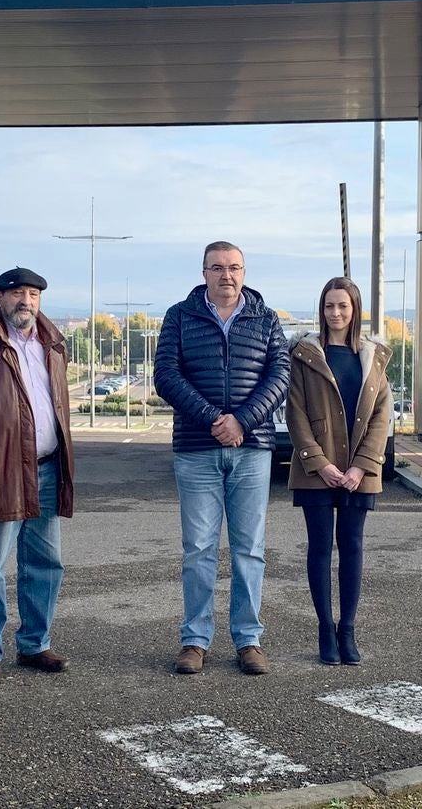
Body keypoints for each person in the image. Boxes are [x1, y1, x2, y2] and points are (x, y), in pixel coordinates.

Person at [154, 241, 289, 675]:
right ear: (204, 272)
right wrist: (215, 418)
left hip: (251, 450)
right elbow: (166, 376)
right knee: (199, 549)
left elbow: (280, 375)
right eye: (216, 268)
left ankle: (248, 640)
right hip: (196, 448)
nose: (225, 275)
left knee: (249, 549)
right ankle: (195, 640)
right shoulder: (180, 316)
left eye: (233, 267)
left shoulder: (267, 320)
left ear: (244, 272)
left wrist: (242, 422)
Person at [0, 267, 75, 685]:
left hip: (46, 468)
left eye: (32, 294)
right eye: (16, 294)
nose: (25, 301)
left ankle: (35, 644)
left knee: (46, 562)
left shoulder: (54, 343)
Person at [286, 277, 391, 665]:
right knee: (319, 549)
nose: (336, 313)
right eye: (329, 306)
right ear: (322, 309)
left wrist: (362, 467)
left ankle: (347, 629)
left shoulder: (373, 356)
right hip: (317, 472)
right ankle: (324, 630)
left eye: (343, 306)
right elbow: (294, 414)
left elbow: (382, 417)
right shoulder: (304, 354)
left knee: (352, 547)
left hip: (358, 474)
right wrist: (322, 464)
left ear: (354, 309)